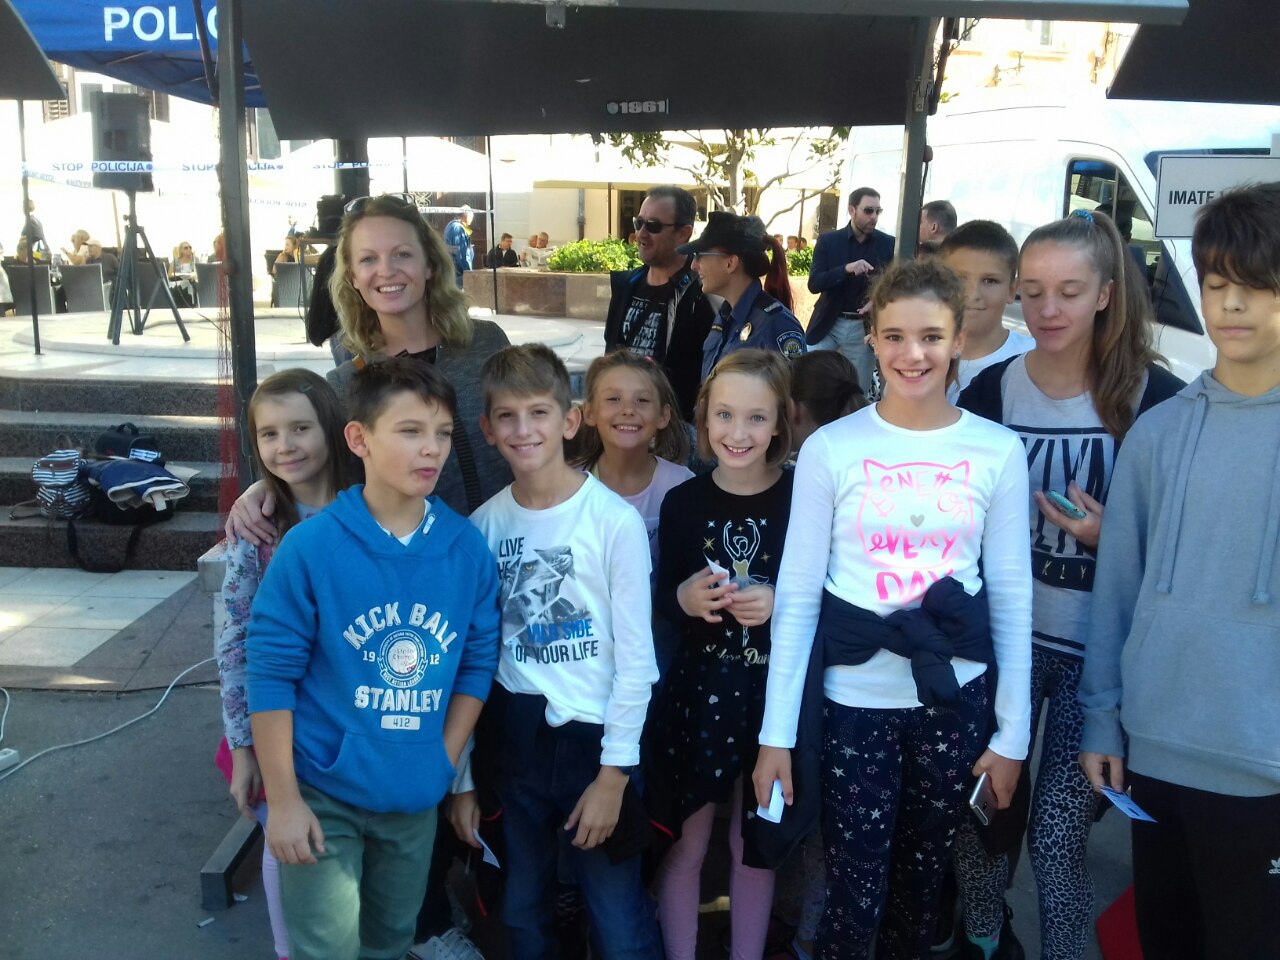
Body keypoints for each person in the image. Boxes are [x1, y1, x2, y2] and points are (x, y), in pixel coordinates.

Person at [753, 257, 1033, 960]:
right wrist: (775, 735)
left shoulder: (997, 451)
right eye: (897, 336)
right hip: (854, 706)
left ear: (958, 339)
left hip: (954, 701)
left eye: (932, 336)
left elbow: (1010, 595)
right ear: (872, 339)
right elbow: (797, 597)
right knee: (853, 894)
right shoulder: (831, 449)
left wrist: (1012, 737)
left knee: (920, 889)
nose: (914, 354)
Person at [953, 209, 1183, 960]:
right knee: (982, 824)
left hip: (1098, 660)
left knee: (1058, 840)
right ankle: (987, 942)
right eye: (1033, 291)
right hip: (1004, 650)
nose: (1047, 310)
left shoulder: (1158, 401)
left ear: (1106, 294)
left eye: (1070, 292)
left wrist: (1109, 537)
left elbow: (1188, 548)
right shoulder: (990, 392)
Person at [1079, 183, 1280, 960]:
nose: (1232, 304)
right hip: (1156, 755)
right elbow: (1117, 591)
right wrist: (1103, 716)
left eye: (1257, 285)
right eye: (1217, 282)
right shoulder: (1158, 433)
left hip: (1265, 772)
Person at [246, 358, 501, 960]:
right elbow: (271, 673)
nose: (432, 449)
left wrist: (441, 759)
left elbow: (476, 661)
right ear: (359, 439)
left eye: (442, 433)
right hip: (322, 791)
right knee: (326, 948)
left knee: (388, 943)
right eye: (410, 431)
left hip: (411, 796)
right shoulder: (312, 547)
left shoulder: (466, 549)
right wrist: (283, 801)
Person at [449, 344, 663, 960]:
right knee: (522, 909)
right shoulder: (482, 529)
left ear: (570, 420)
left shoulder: (613, 523)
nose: (524, 430)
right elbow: (470, 662)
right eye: (507, 417)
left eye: (538, 412)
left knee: (617, 917)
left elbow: (636, 662)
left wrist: (614, 776)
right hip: (513, 744)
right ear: (487, 429)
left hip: (597, 742)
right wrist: (463, 780)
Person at [225, 193, 511, 542]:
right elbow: (316, 465)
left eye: (402, 254)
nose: (386, 270)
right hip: (413, 565)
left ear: (430, 264)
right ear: (353, 277)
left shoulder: (486, 344)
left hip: (510, 546)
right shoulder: (345, 384)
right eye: (368, 259)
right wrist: (263, 487)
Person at [648, 349, 794, 960]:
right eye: (725, 415)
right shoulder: (683, 503)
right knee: (688, 842)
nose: (739, 432)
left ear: (780, 423)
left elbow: (827, 589)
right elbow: (665, 599)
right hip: (699, 696)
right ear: (703, 419)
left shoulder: (802, 499)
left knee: (753, 844)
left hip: (772, 703)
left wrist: (780, 601)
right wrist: (684, 597)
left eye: (757, 418)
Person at [216, 368, 351, 960]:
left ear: (335, 428)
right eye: (269, 434)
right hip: (282, 723)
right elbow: (234, 643)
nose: (285, 445)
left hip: (358, 718)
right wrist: (243, 746)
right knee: (287, 838)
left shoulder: (372, 508)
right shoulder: (257, 529)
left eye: (300, 428)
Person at [778, 348, 869, 960]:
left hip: (813, 663)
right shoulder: (862, 462)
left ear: (793, 411)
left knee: (813, 810)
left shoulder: (806, 474)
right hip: (851, 662)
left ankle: (809, 934)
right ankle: (812, 932)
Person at [603, 185, 717, 422]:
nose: (641, 234)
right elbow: (610, 355)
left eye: (653, 226)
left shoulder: (703, 294)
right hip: (623, 425)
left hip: (675, 430)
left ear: (684, 233)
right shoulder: (625, 285)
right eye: (639, 223)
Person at [573, 348, 692, 570]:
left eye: (642, 400)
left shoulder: (683, 486)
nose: (628, 409)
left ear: (663, 415)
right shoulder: (569, 487)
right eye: (613, 399)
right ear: (589, 412)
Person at [681, 211, 806, 379]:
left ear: (730, 263)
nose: (694, 265)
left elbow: (792, 391)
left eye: (700, 256)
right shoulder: (725, 316)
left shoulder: (776, 324)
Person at [806, 187, 896, 391]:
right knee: (809, 378)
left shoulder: (888, 244)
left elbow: (894, 284)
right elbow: (815, 283)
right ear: (852, 210)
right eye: (868, 210)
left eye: (878, 211)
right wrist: (846, 269)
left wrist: (877, 300)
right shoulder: (829, 241)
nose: (874, 217)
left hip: (861, 327)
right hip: (829, 322)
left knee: (858, 389)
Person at [940, 220, 1033, 400]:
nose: (972, 294)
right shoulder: (918, 360)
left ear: (1012, 290)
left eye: (990, 281)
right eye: (959, 279)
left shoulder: (1033, 358)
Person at [443, 205, 474, 284]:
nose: (472, 219)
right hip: (459, 274)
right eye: (471, 216)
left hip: (452, 272)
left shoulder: (450, 225)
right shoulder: (458, 228)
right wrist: (469, 273)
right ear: (466, 215)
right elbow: (462, 254)